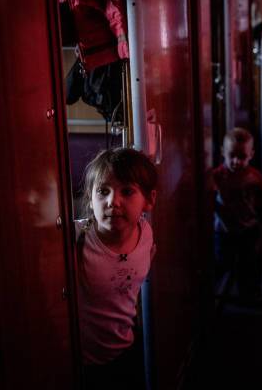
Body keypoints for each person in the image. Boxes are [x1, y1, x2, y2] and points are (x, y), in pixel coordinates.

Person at [76, 148, 157, 389]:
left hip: (126, 348)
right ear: (90, 199)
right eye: (103, 191)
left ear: (149, 200)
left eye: (127, 191)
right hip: (84, 362)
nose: (113, 201)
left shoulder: (146, 234)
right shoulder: (77, 239)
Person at [211, 128, 262, 305]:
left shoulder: (255, 178)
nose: (236, 161)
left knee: (251, 265)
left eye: (242, 157)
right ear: (222, 152)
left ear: (251, 155)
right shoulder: (216, 177)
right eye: (231, 155)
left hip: (249, 228)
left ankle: (251, 294)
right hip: (223, 231)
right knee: (221, 261)